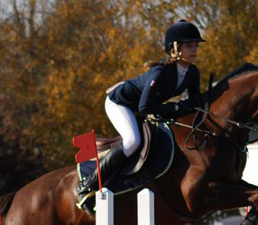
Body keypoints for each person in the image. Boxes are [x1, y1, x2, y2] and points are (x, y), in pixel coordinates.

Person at [75, 20, 205, 207]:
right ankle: (88, 185)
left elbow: (194, 103)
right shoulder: (160, 72)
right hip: (120, 104)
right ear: (175, 48)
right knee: (132, 141)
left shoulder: (193, 73)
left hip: (142, 108)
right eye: (189, 46)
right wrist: (177, 108)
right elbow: (146, 107)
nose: (194, 50)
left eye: (196, 46)